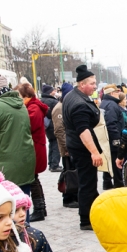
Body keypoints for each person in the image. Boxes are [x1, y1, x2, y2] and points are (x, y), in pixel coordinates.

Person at [62, 65, 103, 231]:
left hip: (75, 145)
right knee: (88, 182)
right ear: (82, 85)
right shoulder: (79, 103)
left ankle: (95, 212)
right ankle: (86, 219)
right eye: (92, 83)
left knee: (88, 182)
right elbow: (83, 131)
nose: (95, 86)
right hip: (82, 148)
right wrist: (94, 152)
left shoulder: (72, 96)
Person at [16, 83, 49, 222]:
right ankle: (41, 207)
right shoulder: (32, 106)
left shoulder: (33, 107)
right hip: (35, 146)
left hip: (34, 148)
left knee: (32, 178)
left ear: (26, 96)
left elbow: (28, 125)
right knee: (34, 178)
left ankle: (40, 209)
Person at [52, 82, 78, 209]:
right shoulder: (59, 108)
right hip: (67, 147)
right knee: (69, 172)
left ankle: (74, 195)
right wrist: (66, 147)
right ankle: (68, 197)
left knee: (73, 171)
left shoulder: (65, 106)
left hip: (71, 144)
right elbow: (59, 130)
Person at [100, 83, 126, 189]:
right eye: (117, 92)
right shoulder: (112, 105)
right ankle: (118, 184)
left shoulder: (103, 103)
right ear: (112, 93)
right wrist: (117, 141)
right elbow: (112, 123)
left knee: (108, 160)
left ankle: (107, 182)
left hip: (106, 138)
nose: (118, 94)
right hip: (113, 137)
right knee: (116, 162)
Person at [40, 84, 62, 173]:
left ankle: (51, 163)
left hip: (47, 126)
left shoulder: (42, 100)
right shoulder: (52, 102)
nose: (55, 91)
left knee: (51, 143)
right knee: (56, 144)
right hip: (53, 125)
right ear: (50, 92)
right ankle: (55, 165)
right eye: (53, 90)